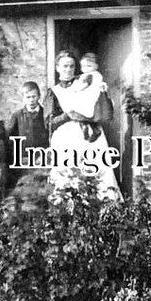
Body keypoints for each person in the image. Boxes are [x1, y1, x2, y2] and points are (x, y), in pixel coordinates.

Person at [43, 50, 121, 201]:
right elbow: (49, 123)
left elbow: (104, 114)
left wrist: (102, 93)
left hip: (91, 136)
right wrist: (68, 115)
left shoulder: (87, 84)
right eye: (64, 66)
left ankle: (104, 214)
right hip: (67, 138)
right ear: (57, 67)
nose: (68, 70)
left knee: (98, 174)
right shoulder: (54, 92)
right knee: (68, 177)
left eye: (71, 66)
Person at [5, 81, 49, 178]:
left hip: (42, 159)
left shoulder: (46, 114)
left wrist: (46, 154)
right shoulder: (17, 116)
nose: (31, 100)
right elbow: (10, 139)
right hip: (23, 161)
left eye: (34, 96)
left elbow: (51, 136)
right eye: (28, 97)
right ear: (23, 98)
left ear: (39, 96)